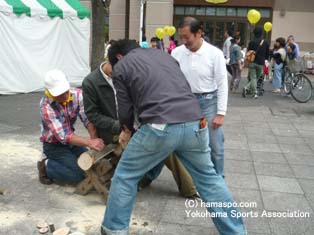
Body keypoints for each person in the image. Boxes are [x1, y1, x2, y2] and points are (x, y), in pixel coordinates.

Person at [100, 39, 247, 235]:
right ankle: (236, 231)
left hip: (160, 125)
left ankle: (114, 230)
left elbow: (125, 109)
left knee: (125, 176)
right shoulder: (165, 56)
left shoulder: (122, 66)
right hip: (196, 122)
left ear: (118, 56)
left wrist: (126, 129)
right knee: (210, 180)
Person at [82, 59, 198, 198]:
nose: (120, 74)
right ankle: (147, 179)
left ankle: (189, 189)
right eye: (117, 69)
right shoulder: (91, 82)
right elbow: (93, 115)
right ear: (108, 60)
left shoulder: (127, 75)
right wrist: (119, 126)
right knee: (159, 143)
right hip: (113, 133)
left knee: (165, 139)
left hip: (134, 127)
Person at [171, 16, 227, 177]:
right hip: (185, 102)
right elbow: (172, 80)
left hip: (209, 102)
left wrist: (220, 113)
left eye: (187, 37)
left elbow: (222, 83)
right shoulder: (176, 53)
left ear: (199, 33)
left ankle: (218, 180)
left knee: (215, 146)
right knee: (184, 144)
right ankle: (193, 180)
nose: (183, 41)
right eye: (181, 37)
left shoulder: (214, 54)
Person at [38, 69, 104, 185]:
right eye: (59, 94)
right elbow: (63, 135)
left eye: (65, 91)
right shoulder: (46, 106)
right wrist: (89, 143)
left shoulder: (77, 95)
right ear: (49, 92)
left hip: (72, 143)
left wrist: (94, 139)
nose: (64, 96)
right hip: (54, 146)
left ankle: (65, 162)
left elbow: (87, 119)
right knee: (78, 175)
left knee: (90, 165)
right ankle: (47, 165)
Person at [242, 27, 269, 99]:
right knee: (256, 78)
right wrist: (266, 60)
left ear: (254, 33)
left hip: (252, 62)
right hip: (261, 63)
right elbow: (267, 53)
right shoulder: (265, 42)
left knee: (253, 78)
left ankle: (247, 88)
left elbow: (248, 51)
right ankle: (254, 93)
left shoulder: (251, 42)